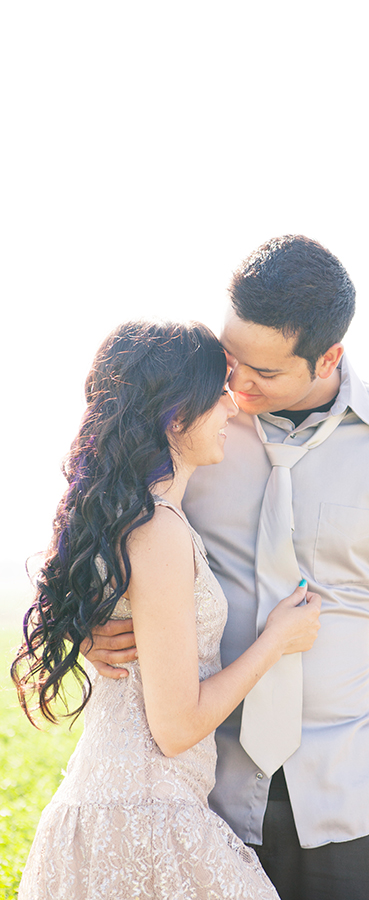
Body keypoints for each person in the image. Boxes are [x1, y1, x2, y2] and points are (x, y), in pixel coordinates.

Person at [88, 236, 369, 900]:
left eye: (262, 373)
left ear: (328, 357)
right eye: (232, 359)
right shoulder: (189, 429)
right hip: (201, 796)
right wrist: (92, 624)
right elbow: (95, 527)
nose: (236, 384)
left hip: (344, 799)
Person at [11, 320, 322, 899]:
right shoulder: (157, 530)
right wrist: (277, 639)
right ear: (177, 416)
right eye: (219, 391)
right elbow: (176, 727)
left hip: (121, 802)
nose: (233, 405)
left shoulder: (138, 519)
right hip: (144, 813)